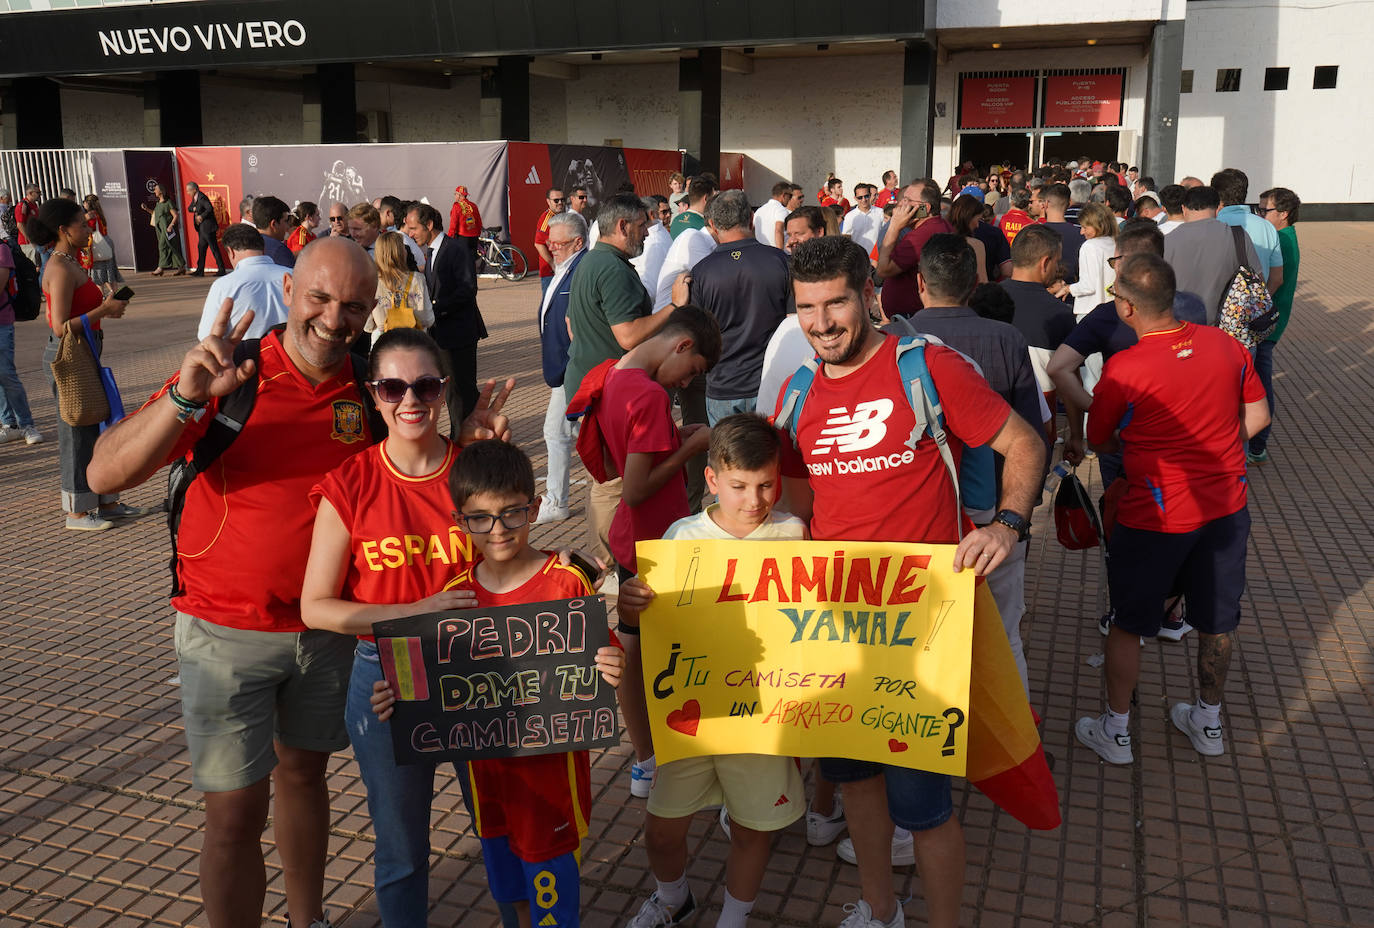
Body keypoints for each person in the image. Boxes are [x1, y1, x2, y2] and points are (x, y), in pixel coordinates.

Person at [85, 236, 511, 928]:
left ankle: (307, 920)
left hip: (327, 632)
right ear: (288, 293)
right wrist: (188, 397)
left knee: (305, 777)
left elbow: (417, 466)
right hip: (228, 628)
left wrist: (473, 447)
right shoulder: (234, 374)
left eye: (352, 305)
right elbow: (104, 475)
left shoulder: (370, 387)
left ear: (370, 311)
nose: (333, 317)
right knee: (233, 814)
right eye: (319, 297)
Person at [775, 236, 1045, 928]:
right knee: (856, 785)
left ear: (869, 293)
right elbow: (796, 506)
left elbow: (1025, 443)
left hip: (920, 625)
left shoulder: (925, 368)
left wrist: (1006, 526)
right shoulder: (798, 391)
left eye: (836, 301)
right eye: (807, 307)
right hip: (834, 627)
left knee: (924, 807)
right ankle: (880, 910)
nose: (822, 321)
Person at [1074, 254, 1269, 765]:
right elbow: (1258, 414)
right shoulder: (1226, 346)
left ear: (1127, 307)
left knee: (1129, 622)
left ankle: (1116, 733)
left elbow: (1101, 439)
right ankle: (1208, 722)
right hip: (1226, 508)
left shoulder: (1127, 367)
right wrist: (1215, 450)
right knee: (1217, 620)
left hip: (1153, 516)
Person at [617, 415, 808, 928]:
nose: (754, 499)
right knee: (661, 830)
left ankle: (735, 916)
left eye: (766, 484)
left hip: (761, 721)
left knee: (753, 828)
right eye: (739, 486)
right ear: (712, 480)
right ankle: (673, 897)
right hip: (692, 722)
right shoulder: (682, 538)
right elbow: (648, 623)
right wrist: (633, 604)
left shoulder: (795, 536)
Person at [566, 305, 720, 801]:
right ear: (681, 345)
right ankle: (655, 756)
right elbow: (636, 488)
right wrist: (690, 449)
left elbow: (626, 459)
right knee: (645, 648)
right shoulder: (651, 395)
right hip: (655, 539)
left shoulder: (614, 374)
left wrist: (676, 438)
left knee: (635, 642)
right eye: (691, 372)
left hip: (637, 538)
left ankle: (646, 757)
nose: (683, 385)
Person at [28, 198, 132, 529]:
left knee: (98, 426)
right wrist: (103, 310)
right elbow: (59, 325)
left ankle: (105, 500)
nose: (89, 230)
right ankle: (76, 510)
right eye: (82, 225)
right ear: (63, 230)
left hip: (85, 351)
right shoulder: (58, 267)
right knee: (76, 431)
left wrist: (106, 302)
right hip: (67, 355)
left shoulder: (70, 261)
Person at [688, 190, 790, 424]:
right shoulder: (781, 262)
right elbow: (795, 320)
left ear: (712, 224)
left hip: (724, 386)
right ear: (752, 219)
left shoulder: (702, 272)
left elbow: (697, 335)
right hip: (772, 382)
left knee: (728, 459)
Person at [403, 202, 485, 429]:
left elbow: (467, 289)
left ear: (429, 225)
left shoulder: (455, 249)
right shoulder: (430, 252)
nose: (410, 234)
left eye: (413, 228)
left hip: (458, 334)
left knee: (462, 391)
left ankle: (465, 440)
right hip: (441, 335)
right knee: (452, 392)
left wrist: (434, 308)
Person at [535, 210, 590, 525]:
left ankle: (557, 501)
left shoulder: (582, 269)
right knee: (568, 432)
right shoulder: (563, 267)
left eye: (558, 243)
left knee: (556, 431)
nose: (551, 247)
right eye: (550, 242)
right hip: (564, 368)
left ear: (578, 242)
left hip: (575, 368)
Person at [998, 224, 1075, 424]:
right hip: (1038, 420)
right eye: (1056, 262)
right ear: (1045, 263)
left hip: (990, 418)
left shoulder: (986, 299)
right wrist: (1075, 435)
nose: (1058, 268)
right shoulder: (1059, 313)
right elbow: (1069, 381)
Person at [1249, 187, 1300, 464]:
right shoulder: (1282, 235)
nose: (1259, 215)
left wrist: (1255, 307)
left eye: (1264, 210)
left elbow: (1277, 280)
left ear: (1284, 214)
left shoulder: (1282, 239)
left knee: (1260, 380)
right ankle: (1257, 442)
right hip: (1269, 319)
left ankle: (1257, 443)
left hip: (1265, 322)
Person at [1163, 185, 1261, 322]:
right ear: (1218, 209)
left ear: (1183, 209)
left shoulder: (1166, 241)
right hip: (1227, 327)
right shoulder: (1238, 236)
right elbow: (1258, 279)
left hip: (1181, 326)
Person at [196, 223, 290, 340]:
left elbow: (206, 336)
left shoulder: (223, 285)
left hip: (246, 356)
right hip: (291, 355)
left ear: (231, 252)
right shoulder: (293, 275)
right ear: (263, 248)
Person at [875, 179, 953, 317]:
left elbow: (883, 270)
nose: (901, 205)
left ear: (925, 208)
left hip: (912, 318)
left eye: (907, 200)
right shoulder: (938, 225)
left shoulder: (923, 234)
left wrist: (894, 226)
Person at [1213, 168, 1283, 294]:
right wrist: (1261, 303)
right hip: (1254, 306)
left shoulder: (1213, 225)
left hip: (1217, 307)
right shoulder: (1267, 227)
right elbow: (1277, 278)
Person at [0, 236, 42, 445]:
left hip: (1, 322)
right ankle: (9, 424)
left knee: (6, 374)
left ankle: (26, 424)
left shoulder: (1, 249)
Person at [363, 230, 434, 347]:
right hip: (414, 343)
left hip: (383, 344)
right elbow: (428, 319)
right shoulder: (417, 279)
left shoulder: (372, 282)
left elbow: (368, 326)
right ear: (400, 252)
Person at [1065, 202, 1117, 319]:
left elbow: (1088, 285)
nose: (1081, 232)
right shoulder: (1114, 242)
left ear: (1097, 225)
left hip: (1090, 310)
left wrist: (1067, 288)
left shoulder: (1089, 246)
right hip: (1111, 309)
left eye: (1085, 227)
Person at [1040, 184, 1085, 283]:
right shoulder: (1081, 234)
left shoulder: (1034, 233)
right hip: (1071, 291)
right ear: (1069, 204)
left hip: (1041, 290)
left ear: (1046, 204)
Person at [142, 183, 186, 277]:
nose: (154, 191)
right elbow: (155, 214)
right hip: (160, 229)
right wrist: (147, 209)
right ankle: (181, 267)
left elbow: (176, 215)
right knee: (172, 247)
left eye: (156, 189)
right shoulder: (158, 204)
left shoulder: (168, 203)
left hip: (168, 230)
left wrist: (171, 225)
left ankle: (160, 268)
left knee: (162, 246)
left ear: (161, 191)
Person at [187, 181, 228, 275]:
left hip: (208, 228)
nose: (188, 193)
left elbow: (209, 208)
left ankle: (221, 270)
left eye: (189, 191)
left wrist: (202, 216)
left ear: (194, 190)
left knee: (214, 248)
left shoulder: (202, 197)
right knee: (201, 248)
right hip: (202, 229)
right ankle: (200, 270)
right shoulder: (195, 198)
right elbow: (189, 208)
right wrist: (195, 209)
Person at [947, 196, 990, 284]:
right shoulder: (975, 245)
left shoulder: (937, 240)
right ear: (968, 217)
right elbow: (982, 281)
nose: (978, 225)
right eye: (978, 220)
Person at [83, 194, 122, 287]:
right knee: (109, 270)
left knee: (98, 272)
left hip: (98, 243)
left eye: (84, 202)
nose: (83, 204)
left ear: (88, 203)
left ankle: (103, 296)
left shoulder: (90, 215)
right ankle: (113, 292)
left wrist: (84, 220)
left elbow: (90, 229)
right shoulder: (99, 213)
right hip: (106, 241)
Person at [534, 188, 566, 297]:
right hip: (550, 273)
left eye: (562, 199)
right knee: (550, 306)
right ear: (548, 201)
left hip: (562, 269)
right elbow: (538, 244)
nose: (560, 203)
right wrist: (552, 264)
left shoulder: (562, 216)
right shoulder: (546, 219)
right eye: (556, 200)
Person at [253, 195, 297, 269]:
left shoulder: (248, 244)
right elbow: (292, 278)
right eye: (285, 221)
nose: (287, 227)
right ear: (274, 224)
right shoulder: (278, 249)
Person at [841, 184, 881, 255]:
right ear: (855, 198)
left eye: (866, 196)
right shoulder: (849, 216)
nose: (864, 200)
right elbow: (846, 240)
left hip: (877, 259)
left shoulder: (881, 213)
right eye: (860, 197)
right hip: (858, 259)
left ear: (870, 195)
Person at [753, 181, 794, 249]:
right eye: (790, 196)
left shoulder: (759, 211)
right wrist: (780, 253)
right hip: (774, 253)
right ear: (783, 195)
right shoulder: (781, 210)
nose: (790, 199)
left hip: (760, 252)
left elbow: (752, 232)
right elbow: (779, 230)